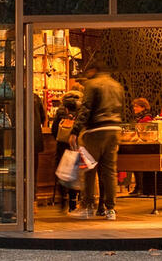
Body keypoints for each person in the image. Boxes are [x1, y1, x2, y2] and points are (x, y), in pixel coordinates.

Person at [69, 57, 124, 221]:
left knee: (88, 169)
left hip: (95, 131)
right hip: (114, 129)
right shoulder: (117, 85)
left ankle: (87, 206)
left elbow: (86, 109)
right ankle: (110, 209)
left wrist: (75, 131)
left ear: (93, 71)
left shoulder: (92, 84)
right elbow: (122, 108)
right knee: (109, 171)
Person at [51, 90, 81, 212]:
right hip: (75, 144)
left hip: (61, 146)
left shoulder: (60, 111)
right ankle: (73, 202)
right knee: (74, 173)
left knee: (61, 171)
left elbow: (54, 130)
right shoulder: (81, 111)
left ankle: (63, 198)